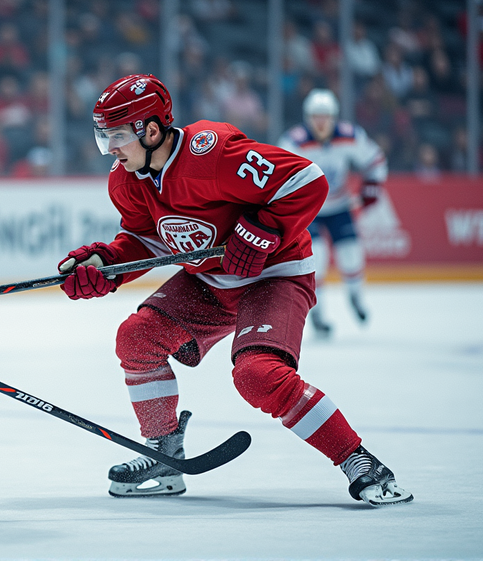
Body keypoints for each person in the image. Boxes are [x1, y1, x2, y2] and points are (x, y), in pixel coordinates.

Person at [59, 74, 411, 507]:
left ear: (150, 130)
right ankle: (163, 454)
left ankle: (361, 462)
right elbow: (147, 240)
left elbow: (308, 181)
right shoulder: (125, 180)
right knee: (136, 337)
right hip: (210, 281)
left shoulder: (214, 154)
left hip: (275, 273)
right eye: (104, 138)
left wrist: (264, 228)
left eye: (115, 136)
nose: (110, 149)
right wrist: (107, 263)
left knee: (256, 374)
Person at [278, 89, 387, 337]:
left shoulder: (350, 136)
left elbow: (376, 160)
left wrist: (373, 186)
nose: (321, 122)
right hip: (310, 209)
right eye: (316, 116)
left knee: (352, 254)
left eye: (325, 116)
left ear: (334, 117)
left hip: (339, 205)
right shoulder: (293, 142)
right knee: (317, 257)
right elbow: (277, 174)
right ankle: (317, 310)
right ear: (307, 118)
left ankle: (356, 296)